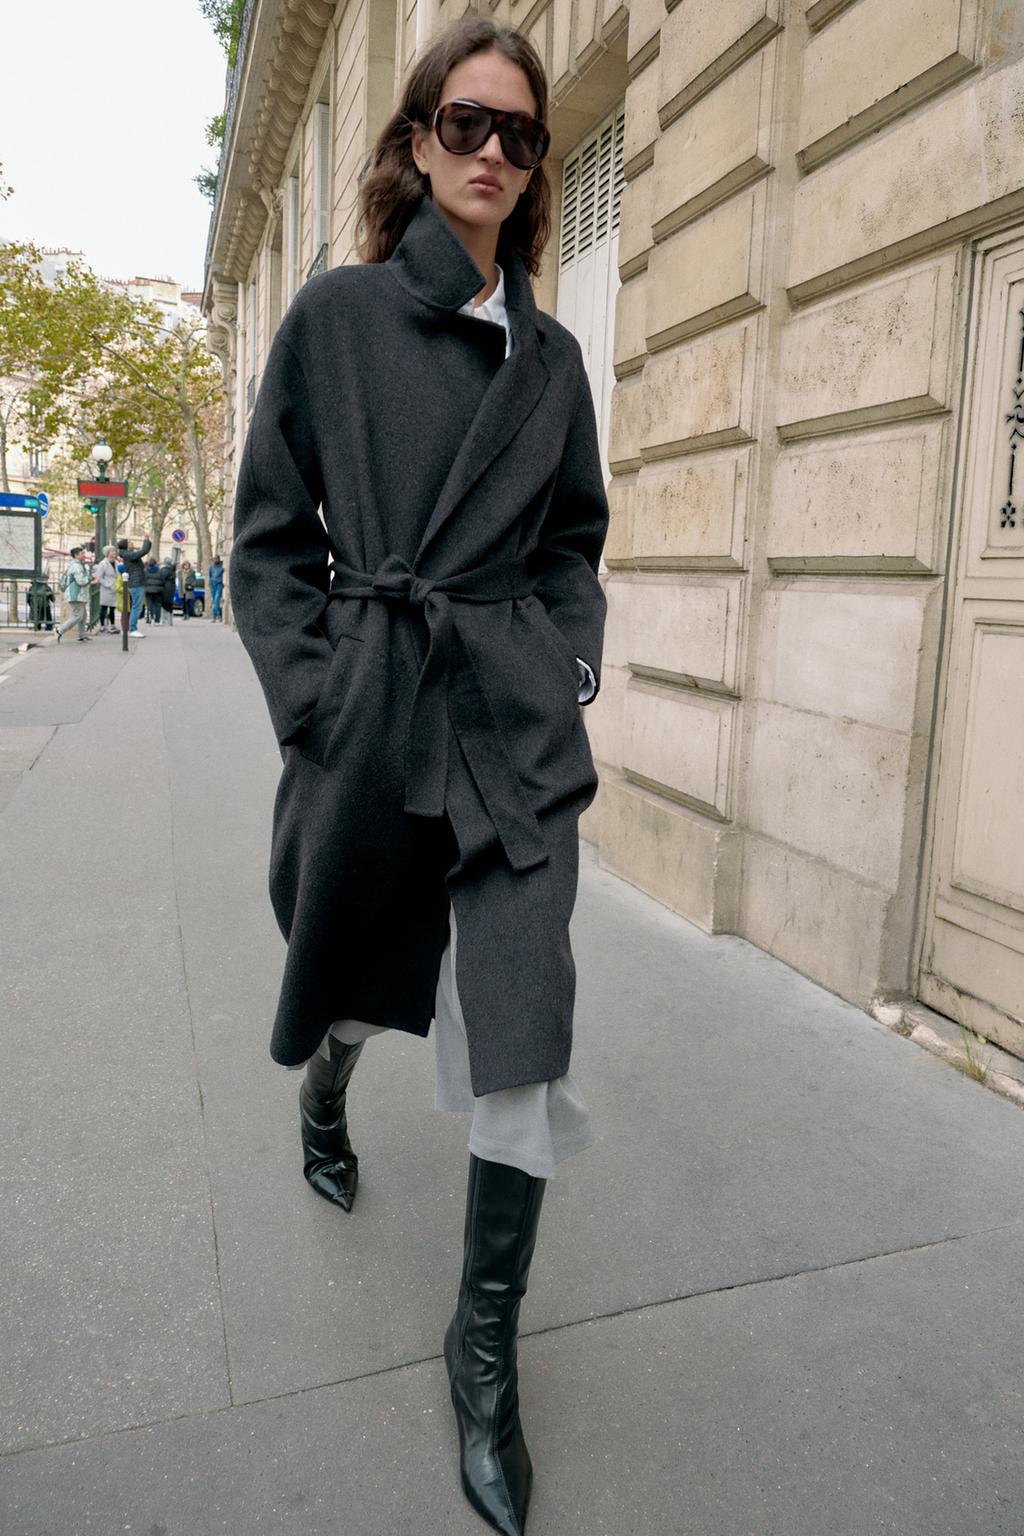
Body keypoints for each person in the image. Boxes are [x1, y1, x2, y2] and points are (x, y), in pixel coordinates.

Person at [231, 20, 607, 1535]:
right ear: (417, 137)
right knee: (359, 980)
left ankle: (483, 1355)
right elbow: (269, 540)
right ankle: (329, 1089)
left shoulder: (554, 359)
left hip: (509, 728)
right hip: (377, 708)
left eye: (520, 134)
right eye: (467, 122)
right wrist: (317, 700)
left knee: (523, 1036)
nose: (493, 153)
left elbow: (573, 540)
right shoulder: (336, 316)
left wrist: (566, 660)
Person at [55, 547, 93, 643]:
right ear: (76, 555)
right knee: (78, 616)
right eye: (82, 553)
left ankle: (81, 635)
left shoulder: (78, 565)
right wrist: (90, 578)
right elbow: (81, 581)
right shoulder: (76, 566)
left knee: (83, 615)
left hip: (79, 594)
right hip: (76, 594)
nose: (84, 555)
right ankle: (60, 629)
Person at [117, 536, 151, 636]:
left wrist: (147, 541)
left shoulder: (127, 554)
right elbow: (144, 551)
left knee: (137, 606)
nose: (131, 543)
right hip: (136, 582)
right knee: (136, 607)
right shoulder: (128, 554)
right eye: (129, 542)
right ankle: (133, 629)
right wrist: (146, 539)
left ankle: (132, 628)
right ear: (125, 546)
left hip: (137, 582)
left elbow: (144, 551)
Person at [93, 546, 119, 633]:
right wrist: (108, 584)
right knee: (104, 607)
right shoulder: (103, 563)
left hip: (115, 588)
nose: (114, 552)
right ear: (107, 553)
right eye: (112, 551)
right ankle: (102, 626)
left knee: (112, 608)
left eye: (115, 551)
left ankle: (112, 625)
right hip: (106, 589)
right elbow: (99, 578)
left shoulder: (117, 563)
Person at [143, 560, 164, 624]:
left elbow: (143, 580)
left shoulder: (146, 571)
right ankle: (157, 620)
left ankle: (150, 618)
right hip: (158, 590)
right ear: (155, 564)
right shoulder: (160, 571)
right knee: (158, 605)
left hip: (148, 590)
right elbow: (163, 580)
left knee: (149, 605)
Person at [208, 553, 225, 620]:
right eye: (214, 559)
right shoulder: (211, 567)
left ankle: (214, 616)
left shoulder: (221, 567)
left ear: (219, 560)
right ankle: (220, 614)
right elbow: (210, 576)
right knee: (215, 600)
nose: (215, 560)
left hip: (219, 584)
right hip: (213, 585)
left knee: (216, 599)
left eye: (217, 559)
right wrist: (209, 583)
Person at [160, 558, 176, 625]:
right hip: (171, 588)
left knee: (164, 604)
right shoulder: (173, 570)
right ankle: (170, 621)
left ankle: (164, 620)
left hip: (165, 588)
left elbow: (162, 579)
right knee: (170, 604)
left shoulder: (164, 570)